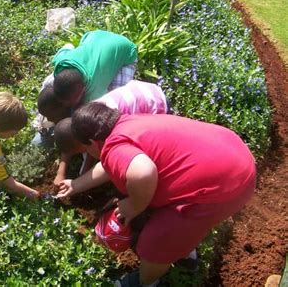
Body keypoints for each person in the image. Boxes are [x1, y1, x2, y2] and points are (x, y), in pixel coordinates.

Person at [57, 102, 256, 287]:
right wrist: (75, 184)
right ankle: (186, 253)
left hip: (226, 188)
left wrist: (134, 205)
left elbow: (142, 171)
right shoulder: (127, 123)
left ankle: (146, 282)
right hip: (233, 154)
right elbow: (115, 162)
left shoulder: (113, 147)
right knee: (171, 222)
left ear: (92, 142)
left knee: (155, 240)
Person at [53, 80, 169, 185]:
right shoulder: (86, 116)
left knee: (143, 151)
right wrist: (61, 172)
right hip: (144, 89)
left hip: (157, 106)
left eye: (81, 150)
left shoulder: (109, 132)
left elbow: (109, 162)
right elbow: (71, 144)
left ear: (87, 142)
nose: (83, 152)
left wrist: (81, 179)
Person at [52, 30, 138, 108]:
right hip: (96, 35)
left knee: (116, 102)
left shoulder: (94, 91)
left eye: (71, 103)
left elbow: (99, 109)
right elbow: (68, 46)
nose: (66, 105)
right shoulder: (61, 61)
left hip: (126, 51)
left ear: (83, 89)